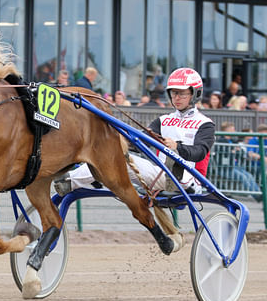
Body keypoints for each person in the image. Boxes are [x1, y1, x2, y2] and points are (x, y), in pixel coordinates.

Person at [54, 67, 215, 196]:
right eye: (174, 93)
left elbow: (200, 152)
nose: (176, 97)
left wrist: (177, 148)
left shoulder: (205, 124)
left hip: (189, 178)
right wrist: (116, 141)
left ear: (195, 94)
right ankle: (69, 181)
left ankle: (94, 179)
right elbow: (138, 143)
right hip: (159, 175)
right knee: (114, 157)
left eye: (182, 93)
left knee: (175, 170)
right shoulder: (163, 120)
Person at [215, 122, 261, 202]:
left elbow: (241, 153)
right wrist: (232, 151)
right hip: (225, 168)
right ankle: (258, 196)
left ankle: (260, 194)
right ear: (227, 130)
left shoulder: (233, 141)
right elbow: (222, 153)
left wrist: (237, 151)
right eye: (232, 129)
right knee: (243, 177)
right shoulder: (221, 140)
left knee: (249, 175)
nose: (235, 131)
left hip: (236, 166)